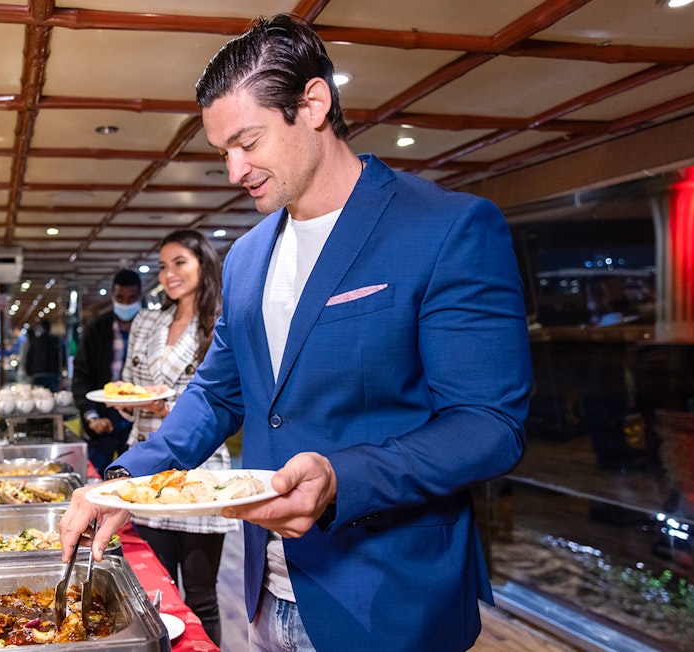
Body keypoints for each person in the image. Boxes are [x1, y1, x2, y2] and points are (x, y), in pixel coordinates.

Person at [60, 14, 532, 652]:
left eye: (247, 142)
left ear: (313, 103)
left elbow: (487, 424)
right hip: (264, 591)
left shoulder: (448, 227)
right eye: (222, 151)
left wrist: (342, 477)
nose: (234, 171)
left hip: (389, 598)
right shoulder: (248, 256)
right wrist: (125, 478)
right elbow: (216, 391)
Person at [112, 230, 235, 644]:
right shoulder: (148, 319)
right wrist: (131, 402)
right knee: (155, 591)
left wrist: (168, 410)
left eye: (179, 262)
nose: (169, 274)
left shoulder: (224, 318)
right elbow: (130, 385)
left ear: (204, 264)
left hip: (201, 469)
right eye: (163, 266)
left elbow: (227, 397)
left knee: (201, 595)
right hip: (146, 465)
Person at [71, 269, 142, 476]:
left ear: (140, 297)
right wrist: (91, 416)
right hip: (104, 412)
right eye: (120, 298)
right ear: (112, 296)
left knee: (137, 475)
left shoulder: (153, 327)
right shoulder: (97, 328)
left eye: (132, 298)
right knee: (97, 474)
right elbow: (82, 375)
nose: (126, 303)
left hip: (140, 413)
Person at [23, 318, 63, 391]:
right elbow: (61, 356)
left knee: (40, 398)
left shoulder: (35, 342)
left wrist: (29, 372)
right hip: (53, 373)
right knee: (53, 397)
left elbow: (29, 358)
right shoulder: (56, 340)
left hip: (38, 373)